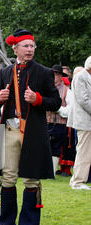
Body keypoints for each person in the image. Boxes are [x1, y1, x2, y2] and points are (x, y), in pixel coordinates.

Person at [0, 28, 61, 225]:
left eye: (32, 46)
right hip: (9, 129)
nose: (29, 50)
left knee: (31, 179)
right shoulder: (6, 72)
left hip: (33, 132)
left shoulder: (44, 72)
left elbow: (56, 102)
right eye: (25, 46)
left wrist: (37, 99)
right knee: (8, 176)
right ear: (15, 48)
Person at [68, 57, 91, 190]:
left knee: (85, 152)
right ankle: (78, 181)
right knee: (84, 152)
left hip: (87, 120)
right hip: (84, 121)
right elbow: (84, 100)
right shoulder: (81, 77)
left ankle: (78, 180)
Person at [46, 65, 74, 175]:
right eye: (52, 74)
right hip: (45, 122)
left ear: (61, 76)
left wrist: (57, 108)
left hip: (59, 123)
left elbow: (70, 110)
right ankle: (44, 171)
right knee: (44, 147)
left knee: (55, 148)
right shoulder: (45, 89)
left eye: (56, 74)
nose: (54, 77)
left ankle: (51, 172)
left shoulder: (67, 91)